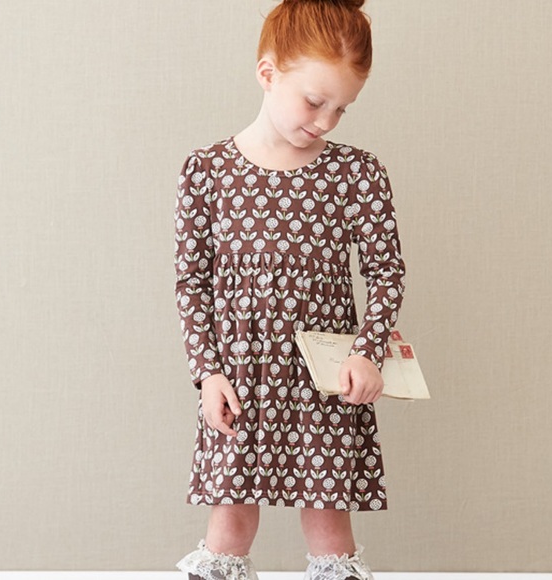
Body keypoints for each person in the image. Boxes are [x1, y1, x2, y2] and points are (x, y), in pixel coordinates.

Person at [173, 0, 406, 578]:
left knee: (329, 520)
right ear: (268, 73)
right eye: (314, 101)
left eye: (342, 109)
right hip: (239, 371)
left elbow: (385, 272)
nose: (326, 122)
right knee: (229, 517)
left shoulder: (357, 173)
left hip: (324, 377)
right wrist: (207, 373)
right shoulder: (207, 171)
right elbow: (192, 282)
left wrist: (367, 352)